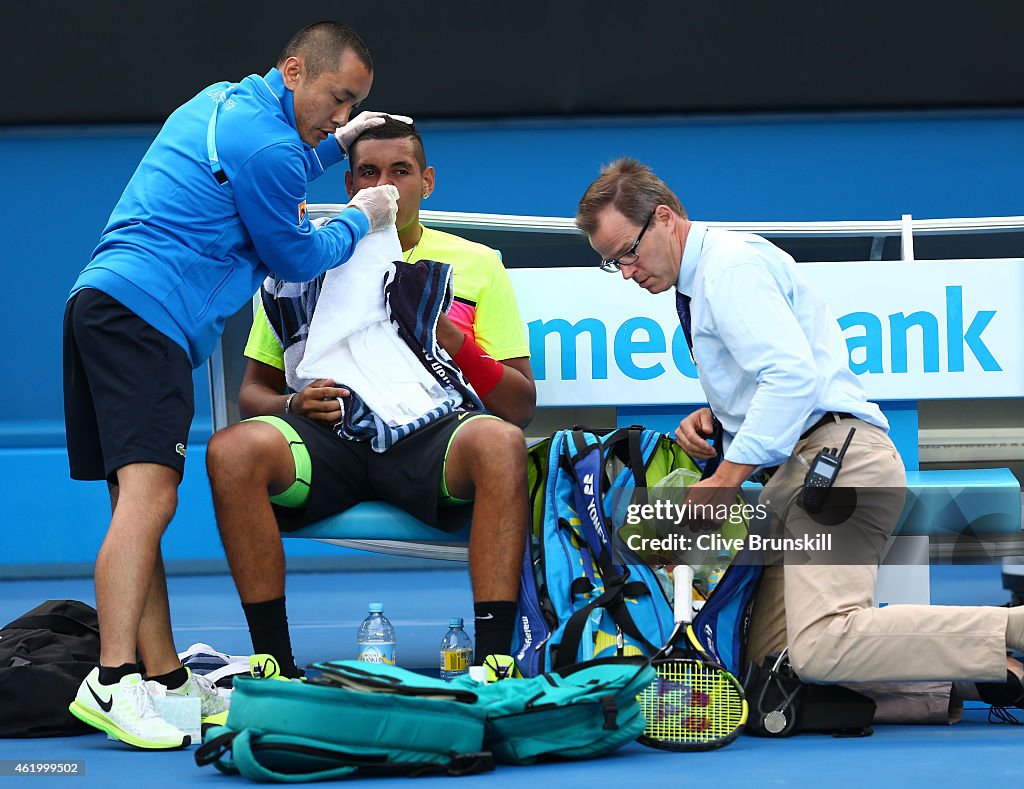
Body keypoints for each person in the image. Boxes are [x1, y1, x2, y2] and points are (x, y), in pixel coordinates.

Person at [63, 21, 407, 749]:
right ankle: (112, 675)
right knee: (151, 498)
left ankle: (161, 676)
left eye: (353, 108)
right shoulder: (277, 149)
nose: (342, 117)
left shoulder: (218, 101)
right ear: (293, 70)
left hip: (98, 303)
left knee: (134, 502)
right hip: (146, 318)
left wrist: (331, 146)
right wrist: (359, 214)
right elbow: (296, 251)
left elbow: (271, 160)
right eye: (338, 100)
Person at [575, 158, 1024, 704]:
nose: (625, 270)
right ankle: (976, 680)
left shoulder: (728, 270)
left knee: (821, 647)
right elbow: (783, 372)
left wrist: (725, 479)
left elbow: (791, 376)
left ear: (664, 218)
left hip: (835, 462)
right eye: (610, 264)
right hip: (802, 469)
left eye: (626, 252)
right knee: (769, 673)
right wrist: (717, 418)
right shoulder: (705, 276)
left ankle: (1015, 630)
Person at [206, 118, 535, 679]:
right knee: (231, 451)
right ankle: (274, 664)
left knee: (501, 442)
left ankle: (495, 660)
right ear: (349, 187)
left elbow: (519, 405)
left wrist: (450, 337)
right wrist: (293, 405)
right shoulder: (307, 260)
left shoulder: (477, 264)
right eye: (368, 173)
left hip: (431, 439)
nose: (385, 185)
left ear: (426, 182)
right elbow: (252, 395)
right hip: (329, 437)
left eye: (400, 172)